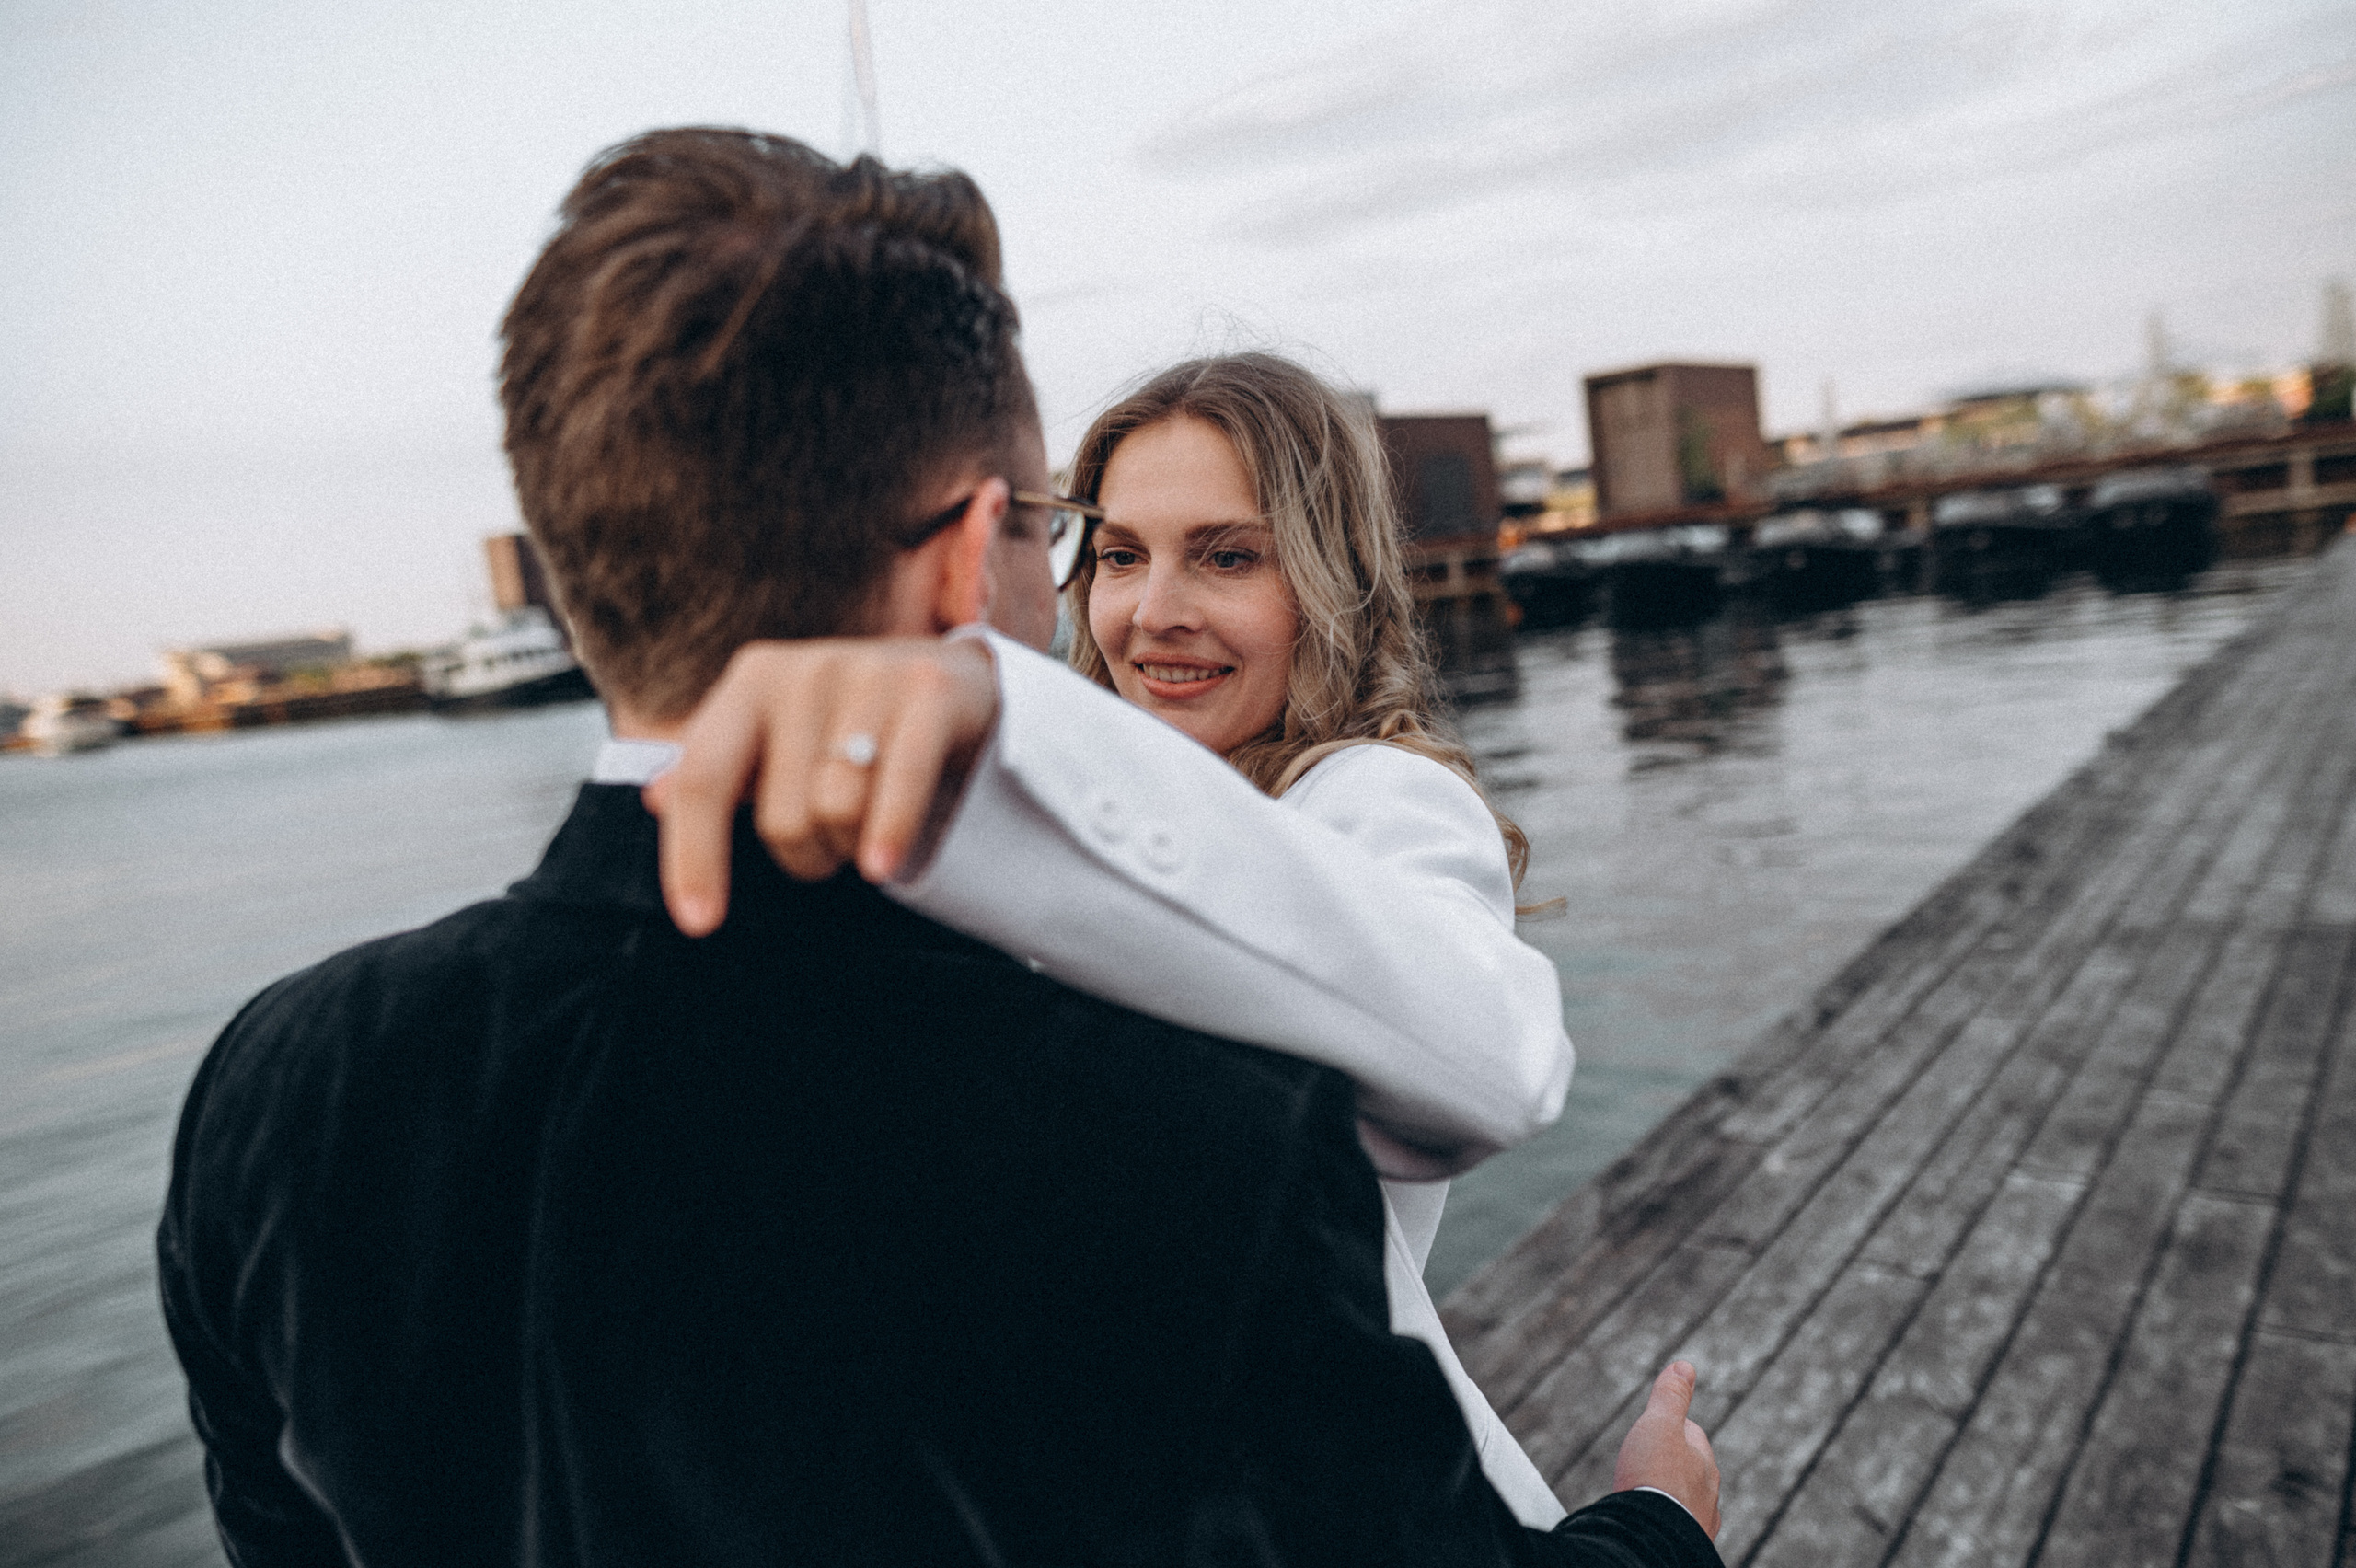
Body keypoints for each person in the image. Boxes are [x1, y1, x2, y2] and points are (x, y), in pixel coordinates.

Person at [158, 127, 1721, 1565]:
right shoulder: (1188, 1130)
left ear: (576, 563)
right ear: (981, 548)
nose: (1145, 600)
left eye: (1222, 555)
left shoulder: (276, 1087)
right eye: (1088, 538)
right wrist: (1656, 1524)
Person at [653, 352, 1589, 1526]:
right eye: (1119, 556)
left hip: (1358, 1511)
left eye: (1226, 555)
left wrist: (1010, 718)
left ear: (1330, 580)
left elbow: (1496, 1058)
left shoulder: (1371, 802)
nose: (1153, 613)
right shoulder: (1040, 846)